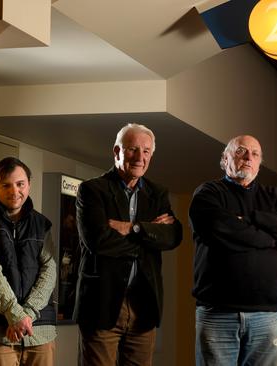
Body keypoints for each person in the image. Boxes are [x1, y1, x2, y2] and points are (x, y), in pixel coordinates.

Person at [189, 135, 277, 366]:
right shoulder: (208, 193)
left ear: (259, 163)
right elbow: (219, 229)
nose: (248, 158)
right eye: (241, 151)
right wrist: (273, 238)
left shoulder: (275, 197)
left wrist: (251, 217)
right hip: (217, 315)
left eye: (255, 154)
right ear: (225, 158)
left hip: (265, 316)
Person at [74, 123, 183, 366]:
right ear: (117, 151)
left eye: (146, 151)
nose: (140, 157)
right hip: (102, 304)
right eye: (133, 149)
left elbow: (173, 236)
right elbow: (98, 242)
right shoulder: (92, 190)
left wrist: (133, 228)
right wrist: (149, 238)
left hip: (143, 307)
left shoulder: (158, 193)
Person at [0, 157, 57, 366]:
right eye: (6, 185)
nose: (14, 191)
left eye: (20, 184)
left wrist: (26, 314)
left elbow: (50, 270)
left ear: (29, 183)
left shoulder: (42, 224)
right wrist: (14, 314)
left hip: (40, 330)